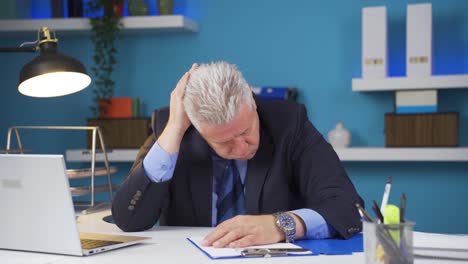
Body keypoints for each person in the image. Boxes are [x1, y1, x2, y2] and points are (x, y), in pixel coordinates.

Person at [112, 61, 363, 248]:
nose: (242, 148)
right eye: (224, 142)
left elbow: (348, 208)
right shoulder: (172, 128)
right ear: (197, 129)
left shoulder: (289, 123)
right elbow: (128, 219)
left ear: (252, 102)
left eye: (246, 131)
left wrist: (281, 224)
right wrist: (175, 129)